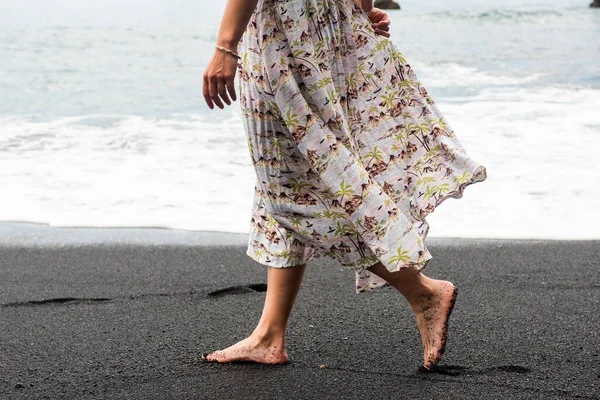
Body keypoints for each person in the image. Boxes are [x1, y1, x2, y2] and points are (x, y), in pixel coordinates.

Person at [201, 0, 487, 370]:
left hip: (283, 39)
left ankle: (421, 291)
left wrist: (226, 46)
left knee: (287, 190)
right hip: (330, 31)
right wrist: (362, 10)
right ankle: (270, 334)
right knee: (288, 178)